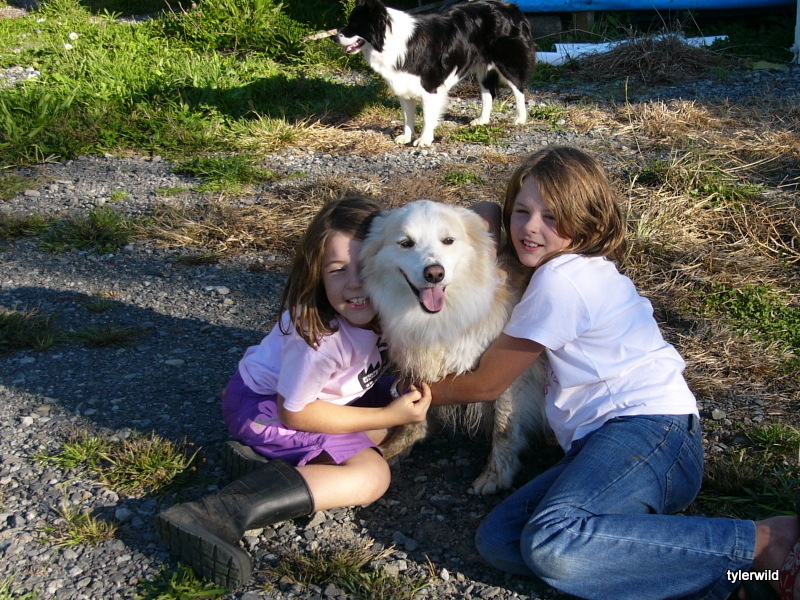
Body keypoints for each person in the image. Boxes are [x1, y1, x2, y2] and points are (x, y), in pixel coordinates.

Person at [417, 146, 800, 600]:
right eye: (521, 212)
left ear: (588, 221)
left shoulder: (563, 281)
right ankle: (742, 581)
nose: (531, 227)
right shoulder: (565, 269)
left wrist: (407, 395)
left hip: (649, 432)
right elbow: (484, 212)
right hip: (607, 449)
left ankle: (766, 540)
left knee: (553, 544)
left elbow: (487, 383)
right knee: (501, 541)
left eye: (552, 216)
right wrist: (493, 213)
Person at [155, 197, 432, 590]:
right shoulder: (321, 338)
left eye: (367, 265)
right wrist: (388, 416)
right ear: (316, 275)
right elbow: (296, 414)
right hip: (265, 410)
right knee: (371, 476)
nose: (355, 283)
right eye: (337, 270)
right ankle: (217, 513)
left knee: (391, 421)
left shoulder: (383, 309)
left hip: (316, 400)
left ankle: (269, 471)